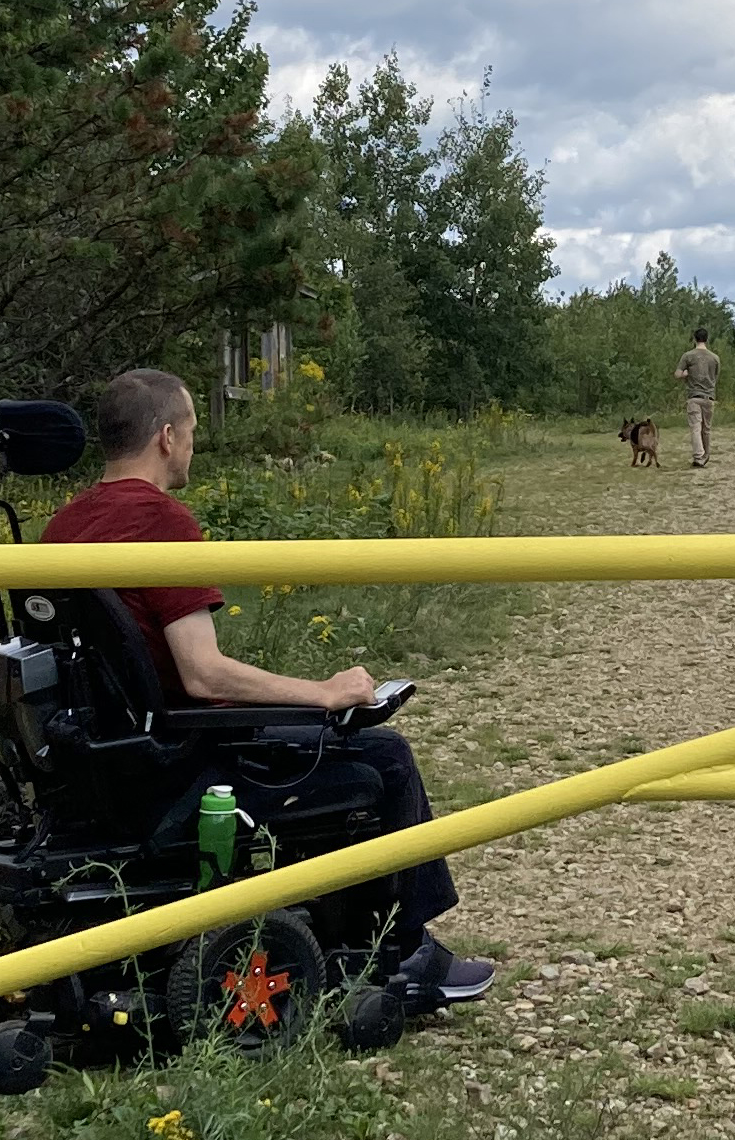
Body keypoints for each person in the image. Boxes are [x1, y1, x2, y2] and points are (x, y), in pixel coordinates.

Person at [41, 367, 493, 1002]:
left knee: (332, 737)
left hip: (108, 754)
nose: (194, 445)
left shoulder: (65, 524)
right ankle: (405, 952)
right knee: (381, 756)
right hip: (179, 757)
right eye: (193, 430)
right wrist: (324, 691)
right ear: (167, 437)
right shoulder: (161, 519)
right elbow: (201, 674)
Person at [674, 326, 720, 468]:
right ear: (707, 339)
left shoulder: (688, 356)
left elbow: (677, 374)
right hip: (709, 397)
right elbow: (715, 377)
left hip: (694, 396)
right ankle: (706, 454)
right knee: (706, 428)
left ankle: (698, 456)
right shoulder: (715, 358)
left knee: (695, 427)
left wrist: (685, 374)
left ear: (694, 339)